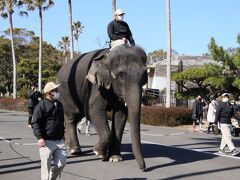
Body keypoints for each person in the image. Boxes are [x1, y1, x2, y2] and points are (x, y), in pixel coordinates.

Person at [32, 82, 67, 180]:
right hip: (46, 141)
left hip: (59, 140)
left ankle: (51, 177)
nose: (57, 92)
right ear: (49, 92)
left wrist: (63, 134)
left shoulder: (59, 104)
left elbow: (61, 121)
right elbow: (35, 123)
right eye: (55, 90)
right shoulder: (41, 105)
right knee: (45, 167)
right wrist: (39, 138)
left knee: (61, 163)